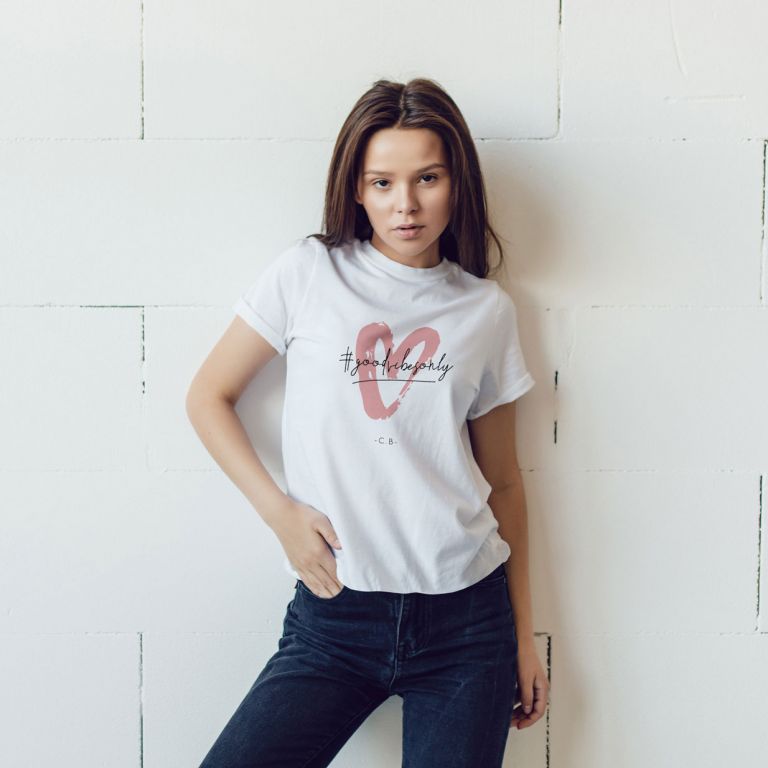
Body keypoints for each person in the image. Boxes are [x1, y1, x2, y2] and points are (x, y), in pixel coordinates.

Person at [187, 77, 549, 768]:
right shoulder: (308, 273)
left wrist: (524, 638)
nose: (405, 204)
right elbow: (208, 396)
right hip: (335, 617)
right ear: (356, 188)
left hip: (468, 626)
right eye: (382, 183)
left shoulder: (486, 310)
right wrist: (280, 514)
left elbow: (504, 482)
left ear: (457, 183)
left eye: (427, 178)